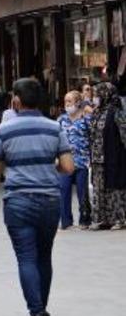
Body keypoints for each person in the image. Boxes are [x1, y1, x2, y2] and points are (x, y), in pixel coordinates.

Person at [0, 78, 74, 316]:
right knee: (44, 256)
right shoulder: (54, 128)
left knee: (26, 257)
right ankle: (42, 310)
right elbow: (68, 167)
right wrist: (48, 167)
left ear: (16, 101)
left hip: (19, 201)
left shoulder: (4, 130)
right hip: (49, 200)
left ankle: (35, 314)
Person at [88, 82, 126, 229]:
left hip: (113, 156)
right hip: (97, 158)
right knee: (98, 188)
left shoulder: (116, 112)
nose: (95, 98)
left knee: (114, 188)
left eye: (98, 94)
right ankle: (100, 219)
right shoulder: (97, 112)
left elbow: (123, 134)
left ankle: (118, 219)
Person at [57, 91, 92, 230]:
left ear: (78, 103)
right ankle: (66, 221)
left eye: (70, 101)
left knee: (82, 193)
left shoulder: (86, 119)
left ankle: (85, 220)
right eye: (65, 101)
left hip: (82, 161)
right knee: (63, 191)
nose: (67, 104)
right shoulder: (61, 120)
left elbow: (92, 138)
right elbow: (56, 140)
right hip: (65, 163)